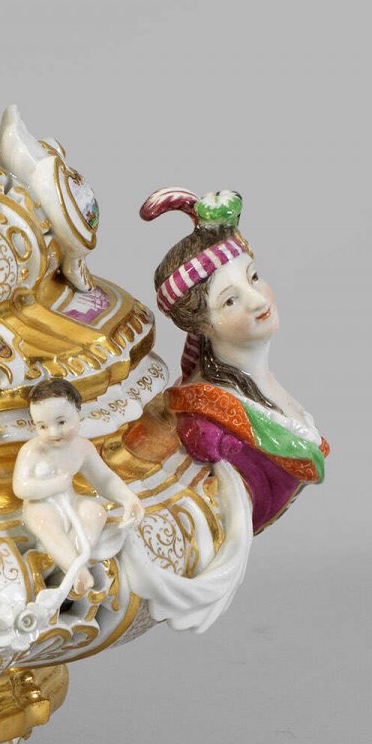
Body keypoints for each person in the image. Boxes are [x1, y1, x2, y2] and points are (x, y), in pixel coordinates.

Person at [142, 188, 327, 532]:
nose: (257, 301)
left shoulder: (256, 388)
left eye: (253, 277)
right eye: (230, 300)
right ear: (202, 324)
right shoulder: (210, 426)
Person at [13, 378, 145, 596]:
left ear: (77, 411)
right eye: (42, 426)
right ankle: (78, 571)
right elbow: (21, 488)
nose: (53, 433)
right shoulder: (32, 451)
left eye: (61, 422)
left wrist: (128, 498)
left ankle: (75, 558)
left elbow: (103, 479)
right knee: (46, 523)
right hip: (40, 505)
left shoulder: (82, 447)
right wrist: (54, 484)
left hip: (69, 500)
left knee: (95, 512)